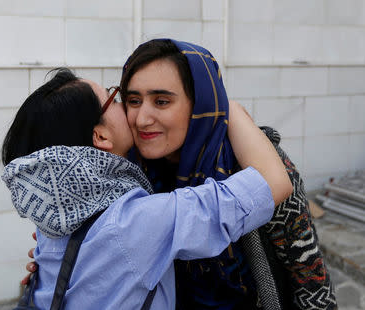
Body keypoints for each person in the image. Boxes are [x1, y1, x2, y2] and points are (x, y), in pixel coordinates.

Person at [2, 68, 292, 309]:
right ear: (100, 135)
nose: (133, 110)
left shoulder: (53, 217)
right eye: (114, 99)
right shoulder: (136, 222)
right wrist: (226, 107)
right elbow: (272, 184)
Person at [119, 39, 336, 309]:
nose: (141, 119)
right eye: (133, 101)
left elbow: (308, 272)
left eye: (161, 101)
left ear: (201, 103)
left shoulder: (257, 165)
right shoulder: (129, 173)